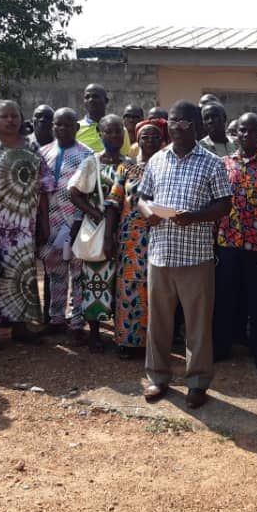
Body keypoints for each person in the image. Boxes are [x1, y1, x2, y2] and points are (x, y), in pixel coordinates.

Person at [137, 101, 231, 409]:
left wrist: (196, 217)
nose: (177, 127)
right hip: (160, 254)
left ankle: (198, 382)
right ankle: (157, 377)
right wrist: (148, 212)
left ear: (197, 126)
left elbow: (224, 205)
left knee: (198, 325)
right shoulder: (157, 160)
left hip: (195, 257)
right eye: (173, 121)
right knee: (159, 322)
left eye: (184, 122)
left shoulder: (212, 163)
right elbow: (143, 197)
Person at [0, 99, 54, 349]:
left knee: (21, 272)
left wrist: (43, 222)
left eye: (14, 115)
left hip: (24, 223)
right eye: (4, 116)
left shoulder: (30, 146)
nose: (10, 120)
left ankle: (20, 326)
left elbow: (43, 186)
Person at [212, 112, 257, 370]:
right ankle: (220, 347)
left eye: (251, 130)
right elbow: (216, 203)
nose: (245, 135)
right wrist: (213, 240)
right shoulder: (224, 164)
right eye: (241, 130)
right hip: (227, 242)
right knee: (224, 298)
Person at [68, 114, 132, 351]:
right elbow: (74, 192)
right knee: (95, 281)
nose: (114, 136)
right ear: (100, 134)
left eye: (118, 131)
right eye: (109, 131)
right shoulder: (91, 163)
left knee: (121, 283)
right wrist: (95, 214)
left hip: (125, 233)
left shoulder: (130, 163)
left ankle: (121, 333)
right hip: (97, 232)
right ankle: (94, 334)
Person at [105, 119, 167, 359]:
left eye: (155, 136)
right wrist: (109, 236)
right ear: (137, 140)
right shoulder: (126, 167)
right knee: (129, 286)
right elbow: (113, 202)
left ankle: (155, 343)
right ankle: (128, 341)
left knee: (157, 289)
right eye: (145, 136)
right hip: (130, 238)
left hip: (160, 236)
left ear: (162, 141)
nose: (150, 141)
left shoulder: (166, 166)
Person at [39, 108, 93, 335]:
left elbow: (88, 192)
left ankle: (77, 321)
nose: (62, 128)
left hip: (77, 222)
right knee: (55, 272)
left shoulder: (87, 155)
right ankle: (57, 318)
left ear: (76, 127)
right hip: (51, 222)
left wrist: (79, 221)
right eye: (58, 124)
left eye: (67, 125)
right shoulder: (43, 153)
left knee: (79, 274)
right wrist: (42, 224)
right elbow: (40, 192)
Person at [77, 84, 130, 152]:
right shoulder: (75, 129)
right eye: (87, 97)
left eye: (95, 96)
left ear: (106, 101)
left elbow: (124, 155)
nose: (91, 100)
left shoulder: (120, 130)